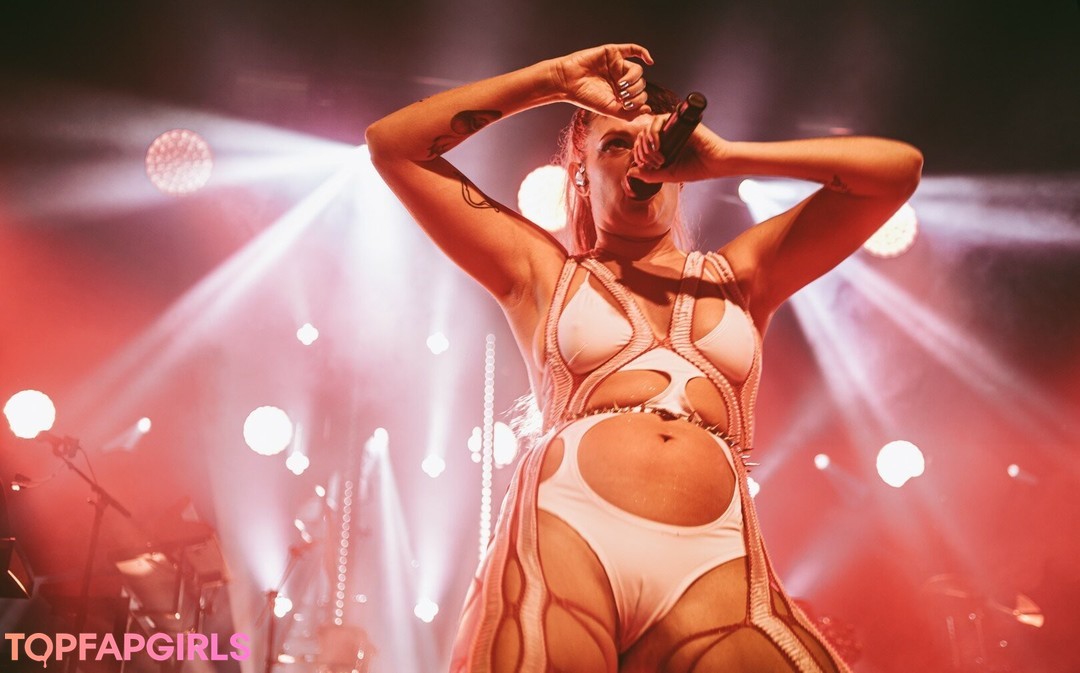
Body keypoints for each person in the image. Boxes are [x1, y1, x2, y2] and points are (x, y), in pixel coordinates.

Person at [366, 43, 922, 673]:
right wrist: (555, 80)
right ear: (581, 173)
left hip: (715, 566)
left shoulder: (741, 275)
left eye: (657, 145)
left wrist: (727, 159)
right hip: (567, 538)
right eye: (615, 145)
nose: (641, 158)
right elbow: (394, 145)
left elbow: (897, 171)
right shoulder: (543, 274)